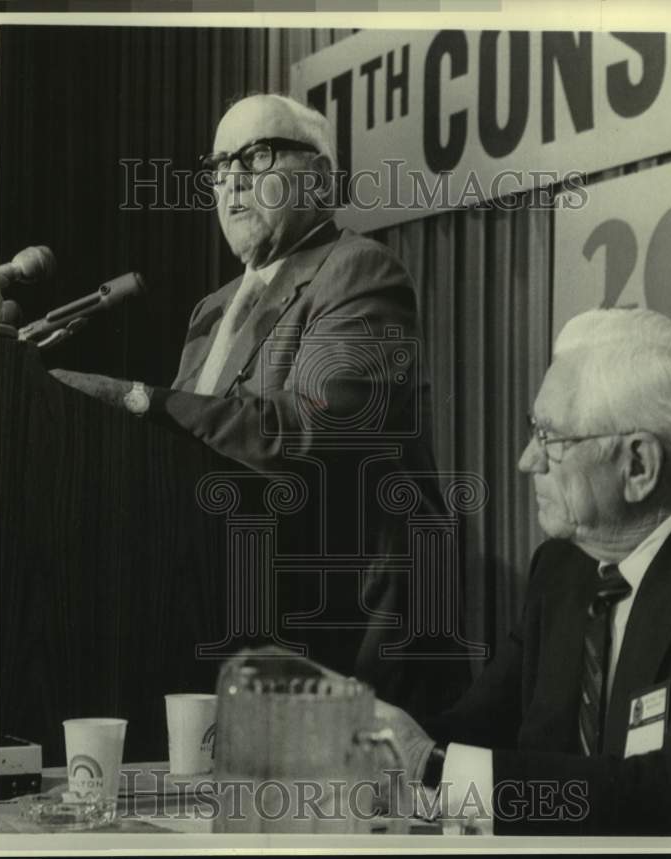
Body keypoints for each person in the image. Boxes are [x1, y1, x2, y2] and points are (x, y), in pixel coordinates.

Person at [50, 93, 467, 713]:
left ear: (322, 177)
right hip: (227, 612)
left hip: (345, 632)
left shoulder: (360, 273)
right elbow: (183, 461)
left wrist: (136, 399)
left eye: (259, 155)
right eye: (220, 165)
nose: (234, 180)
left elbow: (308, 434)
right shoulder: (211, 309)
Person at [374, 308, 671, 836]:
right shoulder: (563, 564)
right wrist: (368, 733)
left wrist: (433, 769)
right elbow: (476, 731)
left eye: (550, 437)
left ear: (637, 466)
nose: (525, 461)